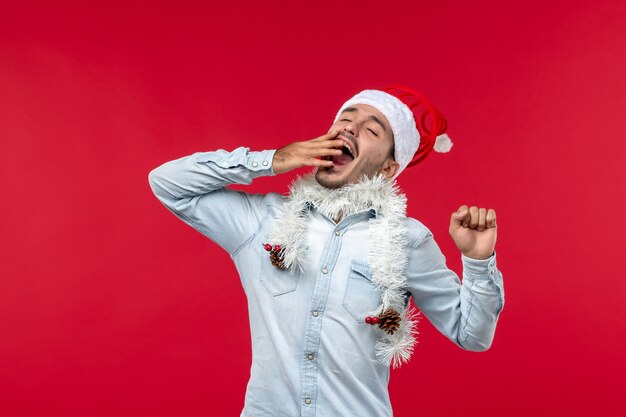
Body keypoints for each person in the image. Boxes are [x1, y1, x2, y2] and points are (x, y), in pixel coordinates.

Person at [148, 85, 505, 417]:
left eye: (372, 129)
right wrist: (272, 160)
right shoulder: (262, 220)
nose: (350, 128)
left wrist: (477, 262)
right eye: (345, 119)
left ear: (388, 168)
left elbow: (471, 334)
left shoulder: (407, 239)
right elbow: (167, 183)